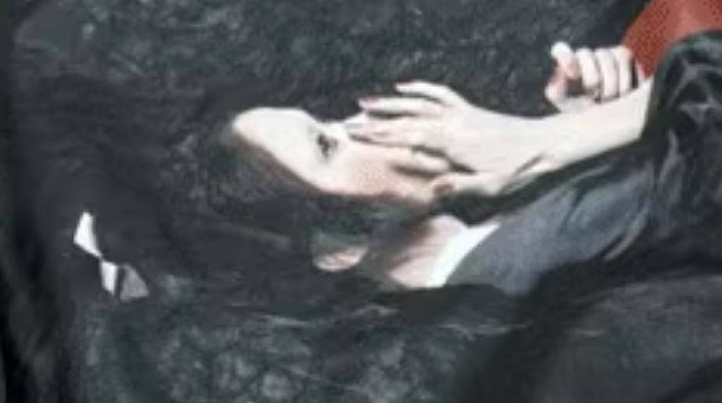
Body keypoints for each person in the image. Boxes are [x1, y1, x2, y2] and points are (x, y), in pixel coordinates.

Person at [216, 40, 657, 294]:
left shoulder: (491, 252)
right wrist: (549, 141)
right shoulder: (521, 259)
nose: (361, 120)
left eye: (330, 119)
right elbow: (704, 94)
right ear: (337, 251)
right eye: (326, 144)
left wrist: (590, 123)